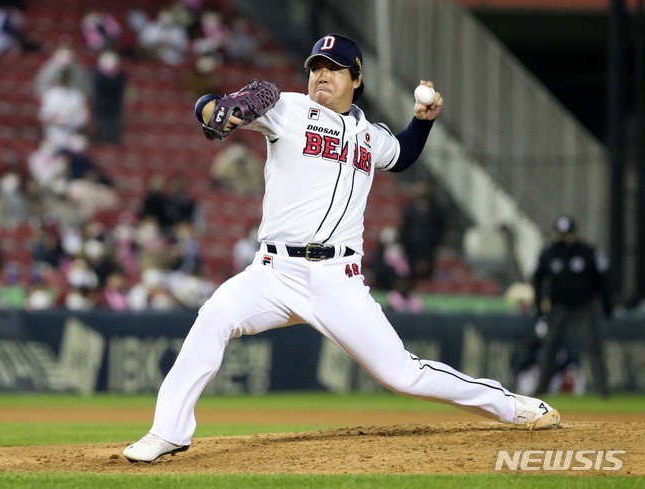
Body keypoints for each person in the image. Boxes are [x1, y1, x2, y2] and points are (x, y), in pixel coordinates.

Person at [122, 33, 560, 463]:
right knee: (214, 315)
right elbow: (212, 109)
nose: (321, 76)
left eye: (333, 69)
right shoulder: (287, 108)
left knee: (403, 374)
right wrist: (213, 110)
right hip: (274, 272)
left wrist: (423, 121)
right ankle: (168, 432)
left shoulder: (370, 135)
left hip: (338, 281)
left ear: (356, 78)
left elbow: (402, 154)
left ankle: (512, 406)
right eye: (315, 68)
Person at [532, 215, 612, 398]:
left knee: (592, 346)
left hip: (584, 306)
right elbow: (537, 280)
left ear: (574, 233)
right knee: (550, 347)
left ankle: (602, 390)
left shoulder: (587, 252)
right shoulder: (549, 253)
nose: (564, 238)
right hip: (559, 306)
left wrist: (607, 305)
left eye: (567, 233)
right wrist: (539, 308)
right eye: (561, 234)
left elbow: (603, 279)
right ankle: (540, 389)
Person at [399, 179, 444, 282]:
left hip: (429, 247)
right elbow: (405, 227)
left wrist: (436, 243)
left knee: (428, 274)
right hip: (411, 248)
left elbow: (439, 227)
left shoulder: (435, 210)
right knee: (411, 275)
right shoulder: (409, 210)